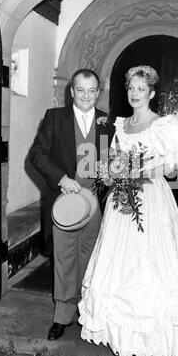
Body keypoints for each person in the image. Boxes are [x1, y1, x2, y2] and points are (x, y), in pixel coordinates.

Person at [78, 65, 178, 356]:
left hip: (151, 198)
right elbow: (113, 159)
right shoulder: (121, 125)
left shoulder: (162, 124)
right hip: (122, 201)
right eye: (131, 88)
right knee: (118, 261)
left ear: (151, 93)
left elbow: (172, 166)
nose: (135, 94)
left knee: (153, 258)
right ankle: (116, 332)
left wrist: (138, 172)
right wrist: (111, 173)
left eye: (141, 89)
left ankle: (156, 336)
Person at [29, 68, 115, 340]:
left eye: (92, 91)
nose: (86, 96)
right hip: (65, 200)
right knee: (65, 258)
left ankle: (88, 313)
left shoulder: (107, 122)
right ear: (71, 91)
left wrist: (112, 174)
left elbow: (112, 160)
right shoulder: (55, 118)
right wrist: (62, 179)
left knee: (91, 257)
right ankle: (62, 316)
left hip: (95, 201)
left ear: (98, 92)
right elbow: (38, 155)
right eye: (81, 90)